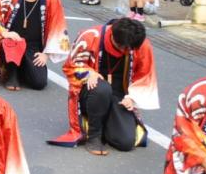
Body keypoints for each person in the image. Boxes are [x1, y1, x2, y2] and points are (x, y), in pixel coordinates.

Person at [49, 17, 158, 153]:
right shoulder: (90, 36)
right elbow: (70, 66)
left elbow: (145, 76)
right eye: (122, 47)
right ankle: (94, 136)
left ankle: (101, 121)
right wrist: (88, 73)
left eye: (129, 49)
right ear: (112, 35)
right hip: (92, 91)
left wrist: (132, 98)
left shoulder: (140, 45)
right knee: (102, 89)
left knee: (125, 142)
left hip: (119, 95)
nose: (126, 51)